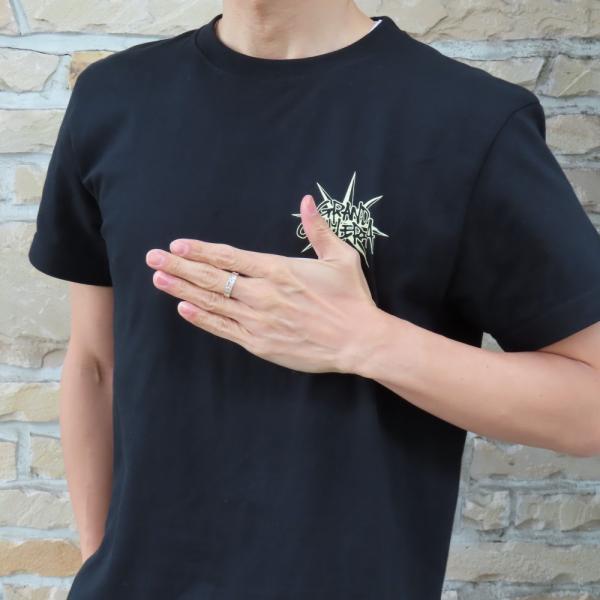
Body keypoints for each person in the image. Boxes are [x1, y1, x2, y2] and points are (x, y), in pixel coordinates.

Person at [27, 1, 600, 598]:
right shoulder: (113, 98)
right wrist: (97, 565)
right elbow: (95, 365)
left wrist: (367, 342)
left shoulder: (469, 122)